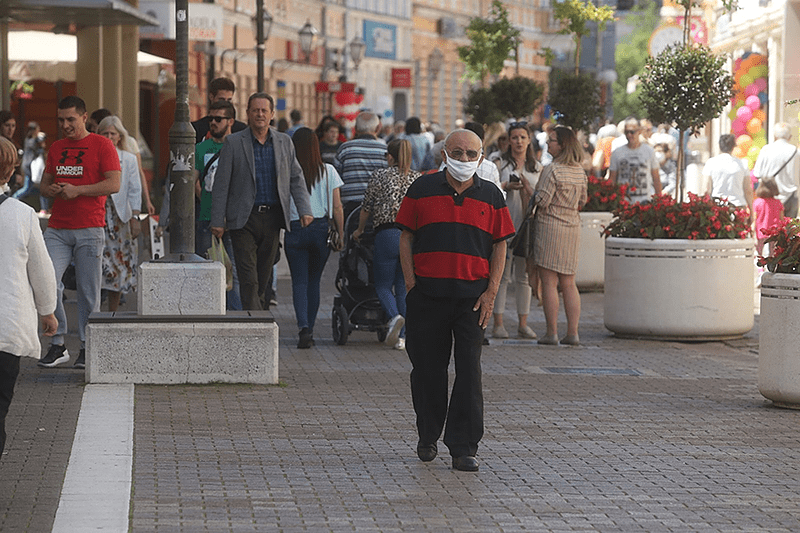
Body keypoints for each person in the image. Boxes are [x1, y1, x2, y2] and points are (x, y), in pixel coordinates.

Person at [396, 129, 515, 472]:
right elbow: (406, 237)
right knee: (428, 370)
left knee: (469, 372)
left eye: (471, 154)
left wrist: (491, 292)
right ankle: (428, 435)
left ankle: (463, 447)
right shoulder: (421, 188)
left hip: (472, 301)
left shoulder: (492, 195)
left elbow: (500, 245)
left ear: (481, 157)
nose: (464, 159)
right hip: (427, 296)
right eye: (458, 152)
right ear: (444, 154)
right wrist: (410, 284)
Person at [38, 95, 121, 369]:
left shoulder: (102, 144)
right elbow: (44, 183)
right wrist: (50, 190)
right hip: (58, 227)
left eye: (71, 119)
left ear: (85, 118)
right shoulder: (57, 147)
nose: (65, 125)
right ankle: (58, 343)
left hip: (89, 227)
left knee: (88, 291)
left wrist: (79, 191)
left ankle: (87, 346)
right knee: (48, 281)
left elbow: (114, 184)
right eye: (61, 120)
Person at [210, 92, 313, 311]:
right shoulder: (234, 143)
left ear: (272, 114)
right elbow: (221, 184)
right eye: (255, 110)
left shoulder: (284, 142)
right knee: (248, 276)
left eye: (264, 110)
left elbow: (296, 176)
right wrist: (218, 220)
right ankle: (255, 321)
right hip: (243, 219)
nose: (259, 114)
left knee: (264, 275)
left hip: (273, 218)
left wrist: (304, 209)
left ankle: (255, 314)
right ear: (247, 114)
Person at [0, 136, 59, 457]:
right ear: (10, 172)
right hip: (6, 330)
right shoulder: (23, 215)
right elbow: (42, 269)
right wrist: (47, 311)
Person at [353, 139, 420, 351]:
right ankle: (404, 336)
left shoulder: (380, 175)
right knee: (403, 286)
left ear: (389, 157)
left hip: (387, 234)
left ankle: (394, 318)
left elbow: (366, 207)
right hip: (410, 236)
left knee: (383, 286)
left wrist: (359, 230)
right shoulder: (417, 178)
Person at [284, 128, 344, 348]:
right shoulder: (329, 171)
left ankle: (304, 329)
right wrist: (342, 233)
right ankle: (310, 324)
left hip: (295, 228)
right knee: (314, 281)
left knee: (298, 281)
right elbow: (337, 207)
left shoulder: (288, 171)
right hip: (320, 229)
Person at [531, 126, 588, 346]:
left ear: (562, 144)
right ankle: (573, 333)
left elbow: (542, 200)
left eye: (551, 141)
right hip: (572, 227)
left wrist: (532, 192)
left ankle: (551, 332)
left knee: (549, 281)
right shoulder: (579, 171)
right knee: (569, 282)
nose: (547, 145)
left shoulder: (552, 169)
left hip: (550, 226)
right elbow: (583, 201)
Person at [492, 122, 542, 340]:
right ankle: (498, 323)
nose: (519, 141)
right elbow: (491, 188)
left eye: (523, 137)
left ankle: (523, 323)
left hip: (527, 228)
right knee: (502, 276)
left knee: (523, 277)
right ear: (508, 140)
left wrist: (528, 189)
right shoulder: (500, 163)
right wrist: (505, 185)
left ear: (529, 140)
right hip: (504, 225)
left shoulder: (537, 167)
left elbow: (541, 196)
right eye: (515, 137)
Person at [96, 116, 142, 312]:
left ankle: (112, 311)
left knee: (118, 264)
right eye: (105, 133)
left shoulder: (128, 158)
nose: (109, 137)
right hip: (97, 216)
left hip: (119, 218)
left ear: (119, 136)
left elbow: (135, 188)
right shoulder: (94, 155)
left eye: (112, 134)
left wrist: (135, 217)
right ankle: (94, 309)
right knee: (96, 263)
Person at [333, 111, 388, 220]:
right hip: (377, 208)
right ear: (377, 129)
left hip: (350, 208)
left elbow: (335, 181)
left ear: (356, 129)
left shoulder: (345, 149)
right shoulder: (385, 150)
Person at [609, 118, 662, 204]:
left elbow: (656, 177)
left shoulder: (649, 151)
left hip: (644, 200)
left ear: (639, 131)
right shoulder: (617, 153)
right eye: (627, 132)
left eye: (632, 132)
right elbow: (612, 179)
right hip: (624, 202)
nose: (629, 135)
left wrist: (659, 200)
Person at [753, 123, 799, 218]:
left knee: (770, 229)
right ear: (789, 137)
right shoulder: (796, 152)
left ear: (774, 136)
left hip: (769, 197)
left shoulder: (766, 150)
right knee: (789, 230)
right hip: (790, 197)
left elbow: (757, 173)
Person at [702, 133, 753, 215]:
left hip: (718, 207)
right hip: (738, 207)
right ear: (733, 147)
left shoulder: (711, 163)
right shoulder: (742, 164)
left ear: (719, 146)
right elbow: (748, 190)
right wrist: (751, 210)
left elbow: (706, 189)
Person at [191, 77, 247, 144]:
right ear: (211, 97)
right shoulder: (196, 129)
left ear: (231, 122)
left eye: (229, 100)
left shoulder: (242, 130)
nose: (225, 103)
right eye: (221, 99)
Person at [14, 121, 46, 201]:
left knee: (30, 187)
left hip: (29, 166)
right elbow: (38, 152)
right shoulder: (31, 141)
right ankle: (13, 198)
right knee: (27, 188)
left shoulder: (30, 139)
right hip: (29, 166)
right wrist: (42, 146)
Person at [753, 178, 784, 256]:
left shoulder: (757, 202)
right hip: (774, 229)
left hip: (761, 229)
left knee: (759, 249)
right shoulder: (778, 202)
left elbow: (754, 217)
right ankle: (771, 265)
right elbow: (782, 218)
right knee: (773, 250)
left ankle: (760, 266)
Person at [0, 111, 23, 195]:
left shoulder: (16, 146)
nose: (10, 129)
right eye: (7, 125)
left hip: (12, 187)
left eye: (13, 126)